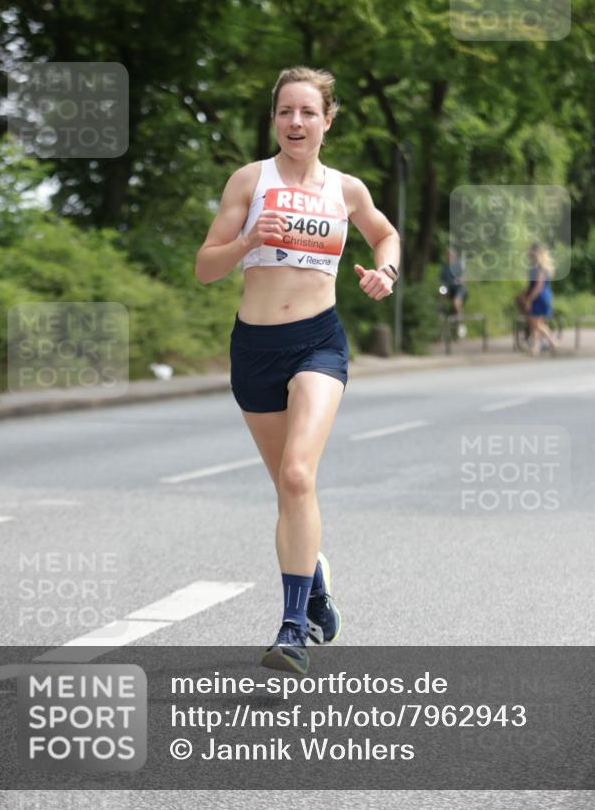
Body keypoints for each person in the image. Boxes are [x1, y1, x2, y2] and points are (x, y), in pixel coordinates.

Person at [195, 66, 400, 674]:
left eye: (308, 112)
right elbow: (206, 267)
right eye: (286, 111)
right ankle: (314, 579)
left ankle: (292, 628)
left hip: (319, 343)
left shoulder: (347, 190)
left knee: (296, 475)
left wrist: (383, 273)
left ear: (327, 120)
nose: (295, 122)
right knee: (286, 489)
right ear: (274, 119)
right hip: (254, 348)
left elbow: (385, 234)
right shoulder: (249, 180)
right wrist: (246, 239)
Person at [515, 243, 558, 356]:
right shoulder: (536, 266)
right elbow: (531, 285)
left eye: (529, 251)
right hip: (541, 295)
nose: (527, 253)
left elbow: (538, 286)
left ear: (535, 253)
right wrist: (522, 294)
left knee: (535, 324)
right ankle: (535, 349)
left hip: (539, 297)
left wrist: (529, 300)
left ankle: (553, 342)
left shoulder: (539, 267)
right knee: (535, 324)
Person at [439, 246, 467, 336]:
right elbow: (440, 279)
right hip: (449, 288)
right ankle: (441, 310)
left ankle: (461, 325)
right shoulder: (445, 267)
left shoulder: (458, 265)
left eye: (451, 255)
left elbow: (464, 278)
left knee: (456, 303)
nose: (449, 257)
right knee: (441, 293)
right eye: (448, 255)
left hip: (458, 289)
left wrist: (460, 280)